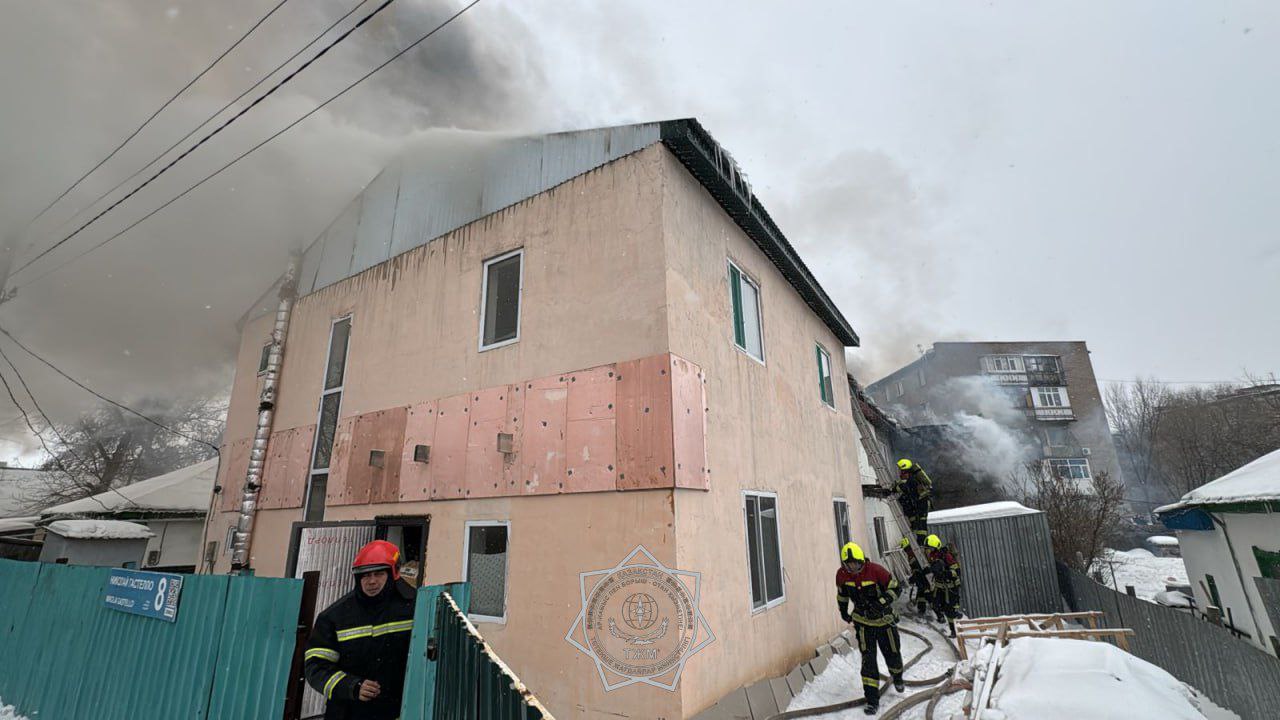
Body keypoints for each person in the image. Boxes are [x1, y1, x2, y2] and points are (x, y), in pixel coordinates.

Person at [304, 540, 416, 719]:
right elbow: (316, 667)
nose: (371, 581)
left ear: (393, 573)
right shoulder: (334, 617)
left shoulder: (416, 607)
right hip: (348, 712)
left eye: (378, 574)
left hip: (399, 710)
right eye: (365, 575)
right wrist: (352, 686)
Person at [836, 541, 904, 715]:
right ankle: (872, 700)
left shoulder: (876, 571)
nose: (853, 567)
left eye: (856, 563)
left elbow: (896, 588)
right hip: (863, 625)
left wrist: (881, 603)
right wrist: (844, 611)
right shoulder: (842, 575)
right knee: (868, 661)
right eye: (849, 564)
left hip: (884, 622)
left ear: (862, 561)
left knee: (892, 652)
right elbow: (842, 595)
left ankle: (897, 677)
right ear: (844, 564)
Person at [923, 534, 962, 637]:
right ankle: (944, 616)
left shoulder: (946, 556)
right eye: (927, 549)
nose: (928, 551)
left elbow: (957, 571)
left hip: (950, 587)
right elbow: (935, 567)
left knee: (949, 610)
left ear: (935, 547)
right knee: (935, 604)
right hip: (939, 587)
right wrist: (929, 570)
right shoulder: (933, 555)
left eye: (929, 548)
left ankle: (954, 631)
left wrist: (945, 574)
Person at [894, 459, 933, 544]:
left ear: (906, 471)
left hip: (923, 503)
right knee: (916, 520)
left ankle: (921, 542)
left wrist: (893, 489)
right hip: (918, 502)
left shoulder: (911, 479)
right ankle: (914, 529)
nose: (900, 474)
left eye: (902, 472)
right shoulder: (911, 478)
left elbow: (903, 487)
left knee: (921, 525)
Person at [899, 536, 931, 615]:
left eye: (905, 549)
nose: (905, 550)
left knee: (923, 592)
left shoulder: (911, 554)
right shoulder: (913, 552)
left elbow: (916, 567)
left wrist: (913, 578)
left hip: (920, 576)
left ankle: (926, 608)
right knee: (921, 592)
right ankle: (922, 608)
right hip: (921, 576)